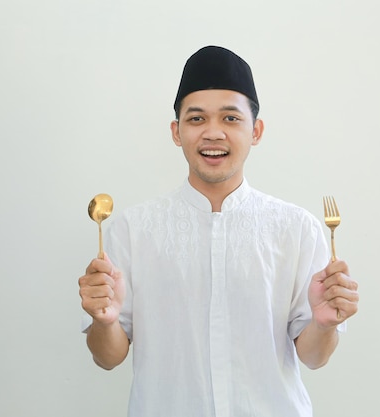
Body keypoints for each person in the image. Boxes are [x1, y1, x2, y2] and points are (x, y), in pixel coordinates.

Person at [78, 45, 359, 417]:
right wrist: (104, 320)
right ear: (177, 132)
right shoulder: (132, 230)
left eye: (230, 119)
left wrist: (324, 324)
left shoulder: (297, 228)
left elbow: (314, 358)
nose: (213, 133)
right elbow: (108, 357)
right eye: (196, 120)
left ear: (255, 131)